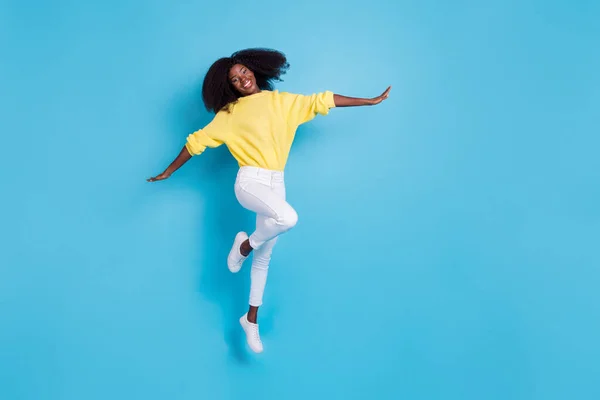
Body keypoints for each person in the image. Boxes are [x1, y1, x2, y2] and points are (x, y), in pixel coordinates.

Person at [147, 48, 390, 353]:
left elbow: (323, 100)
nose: (242, 79)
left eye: (244, 72)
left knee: (265, 257)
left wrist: (368, 100)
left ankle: (251, 320)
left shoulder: (283, 102)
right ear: (230, 87)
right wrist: (168, 171)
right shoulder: (229, 115)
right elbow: (195, 143)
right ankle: (244, 245)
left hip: (277, 181)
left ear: (254, 71)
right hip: (250, 182)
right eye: (235, 79)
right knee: (287, 219)